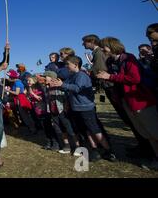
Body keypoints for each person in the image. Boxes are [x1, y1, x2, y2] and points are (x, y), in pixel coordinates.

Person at [96, 37, 158, 170]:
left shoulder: (128, 58)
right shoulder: (113, 61)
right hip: (127, 101)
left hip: (140, 101)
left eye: (103, 47)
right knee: (146, 133)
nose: (102, 50)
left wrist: (110, 77)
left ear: (111, 46)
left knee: (154, 131)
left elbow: (135, 78)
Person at [50, 56, 116, 162]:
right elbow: (67, 88)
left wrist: (63, 85)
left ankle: (109, 151)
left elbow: (77, 88)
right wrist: (59, 84)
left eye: (68, 64)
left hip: (85, 108)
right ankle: (94, 150)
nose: (66, 66)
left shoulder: (81, 75)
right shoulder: (72, 76)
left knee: (95, 130)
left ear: (76, 65)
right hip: (76, 108)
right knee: (86, 131)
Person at [42, 71, 78, 154]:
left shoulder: (60, 86)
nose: (44, 78)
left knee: (69, 129)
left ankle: (77, 146)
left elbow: (66, 98)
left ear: (51, 77)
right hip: (53, 112)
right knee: (60, 130)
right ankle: (67, 146)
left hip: (62, 111)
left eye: (45, 77)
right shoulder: (46, 88)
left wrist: (66, 107)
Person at [6, 70, 36, 134]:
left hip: (21, 99)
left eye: (9, 77)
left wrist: (7, 90)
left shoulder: (17, 83)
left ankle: (32, 129)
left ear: (12, 77)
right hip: (19, 99)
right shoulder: (17, 82)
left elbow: (17, 93)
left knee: (25, 115)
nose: (8, 78)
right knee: (24, 115)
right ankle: (31, 129)